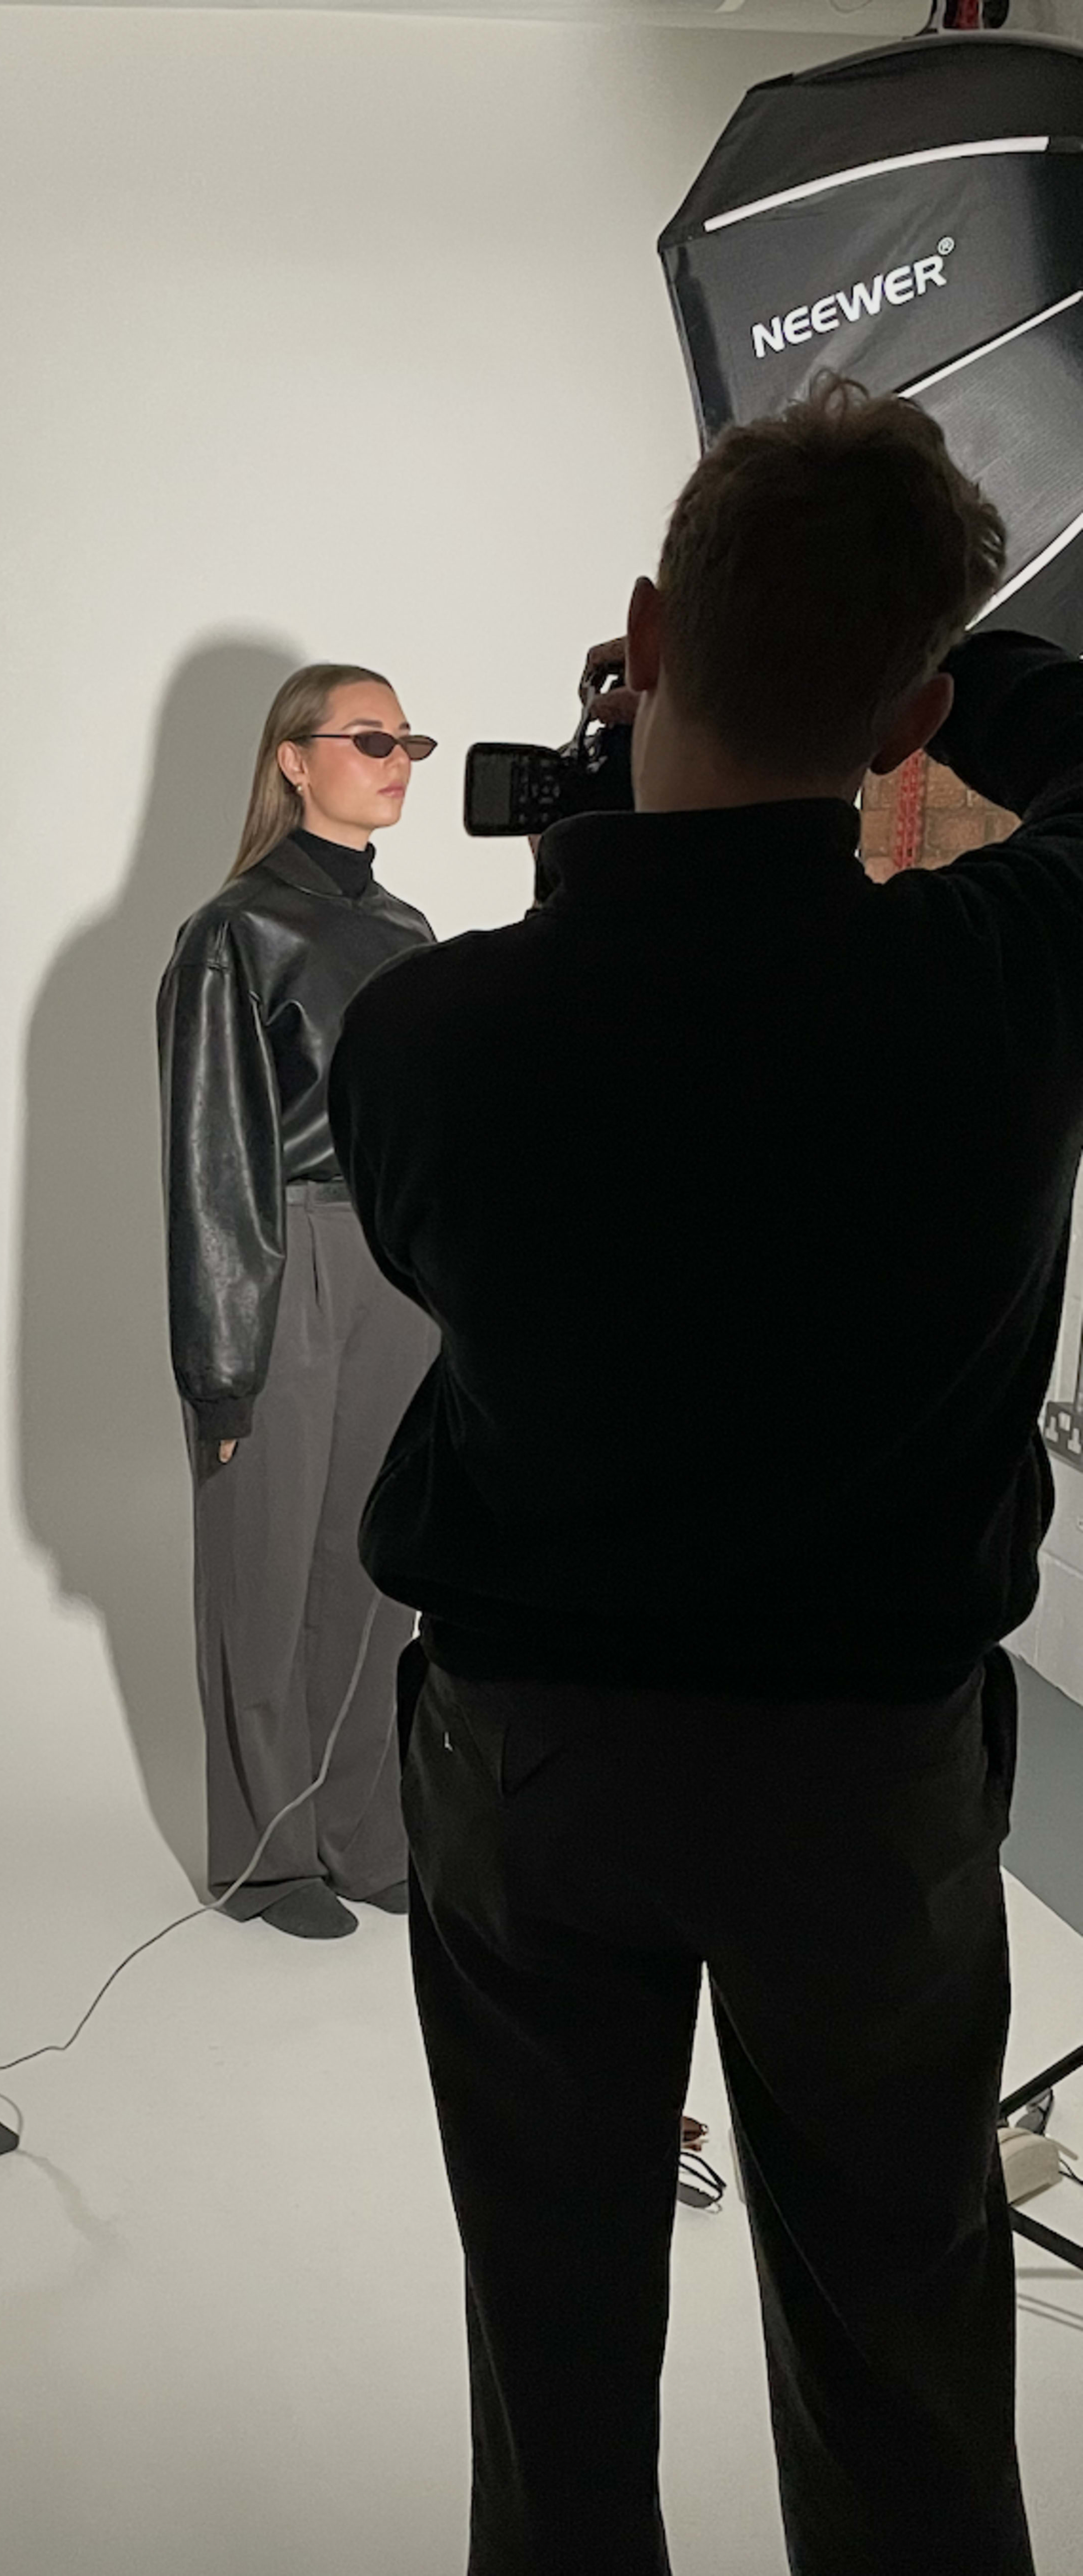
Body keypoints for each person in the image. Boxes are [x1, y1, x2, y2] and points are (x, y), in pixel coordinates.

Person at [329, 372, 1062, 2574]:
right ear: (912, 706)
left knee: (556, 2344)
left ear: (644, 634)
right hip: (870, 1771)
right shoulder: (1010, 973)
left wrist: (602, 829)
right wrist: (937, 679)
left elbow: (479, 1191)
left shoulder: (429, 1037)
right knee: (902, 2341)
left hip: (537, 1763)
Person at [156, 666, 440, 1939]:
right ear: (290, 759)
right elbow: (213, 1159)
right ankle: (268, 1860)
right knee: (262, 1571)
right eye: (367, 739)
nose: (394, 760)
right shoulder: (233, 934)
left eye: (407, 742)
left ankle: (365, 1832)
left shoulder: (410, 934)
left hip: (400, 1271)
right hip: (281, 1254)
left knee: (378, 1568)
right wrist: (221, 1363)